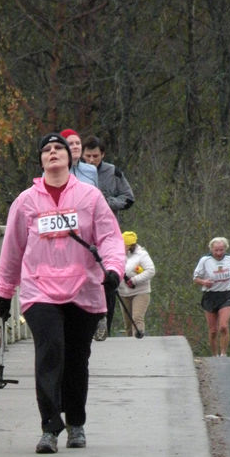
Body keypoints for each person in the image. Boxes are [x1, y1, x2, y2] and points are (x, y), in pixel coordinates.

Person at [0, 133, 125, 454]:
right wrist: (4, 290)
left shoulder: (90, 197)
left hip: (83, 288)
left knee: (77, 360)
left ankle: (77, 423)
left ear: (70, 158)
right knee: (49, 353)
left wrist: (113, 270)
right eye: (46, 150)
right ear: (41, 161)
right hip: (40, 289)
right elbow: (13, 248)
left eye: (58, 149)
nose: (52, 153)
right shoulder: (25, 202)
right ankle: (50, 427)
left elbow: (109, 237)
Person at [82, 135, 135, 341]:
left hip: (107, 233)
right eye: (88, 156)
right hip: (83, 235)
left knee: (109, 278)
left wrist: (108, 202)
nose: (91, 160)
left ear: (102, 155)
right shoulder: (73, 171)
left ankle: (106, 327)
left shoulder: (113, 172)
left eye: (95, 156)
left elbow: (129, 198)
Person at [193, 236, 230, 357]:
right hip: (210, 296)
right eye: (216, 250)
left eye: (221, 250)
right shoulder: (205, 260)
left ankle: (223, 354)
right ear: (211, 249)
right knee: (213, 330)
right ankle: (214, 356)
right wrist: (204, 282)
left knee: (223, 326)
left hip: (226, 295)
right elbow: (195, 278)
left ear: (225, 248)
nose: (219, 253)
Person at [117, 231, 156, 337]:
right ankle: (130, 347)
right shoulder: (117, 254)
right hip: (123, 293)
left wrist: (134, 280)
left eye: (123, 245)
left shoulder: (141, 254)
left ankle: (139, 341)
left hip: (140, 292)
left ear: (130, 246)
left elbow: (151, 271)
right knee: (128, 324)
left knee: (136, 318)